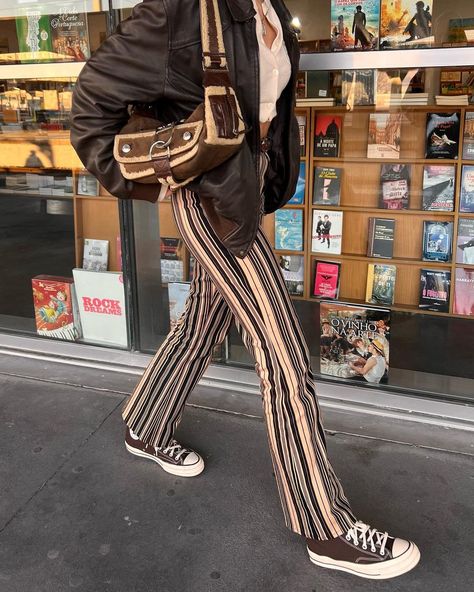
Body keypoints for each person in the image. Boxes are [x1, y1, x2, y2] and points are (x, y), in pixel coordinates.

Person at [70, 0, 420, 580]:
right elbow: (90, 104)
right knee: (281, 348)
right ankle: (325, 526)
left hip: (243, 187)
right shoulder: (180, 10)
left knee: (205, 322)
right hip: (210, 199)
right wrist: (156, 184)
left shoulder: (268, 6)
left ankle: (145, 423)